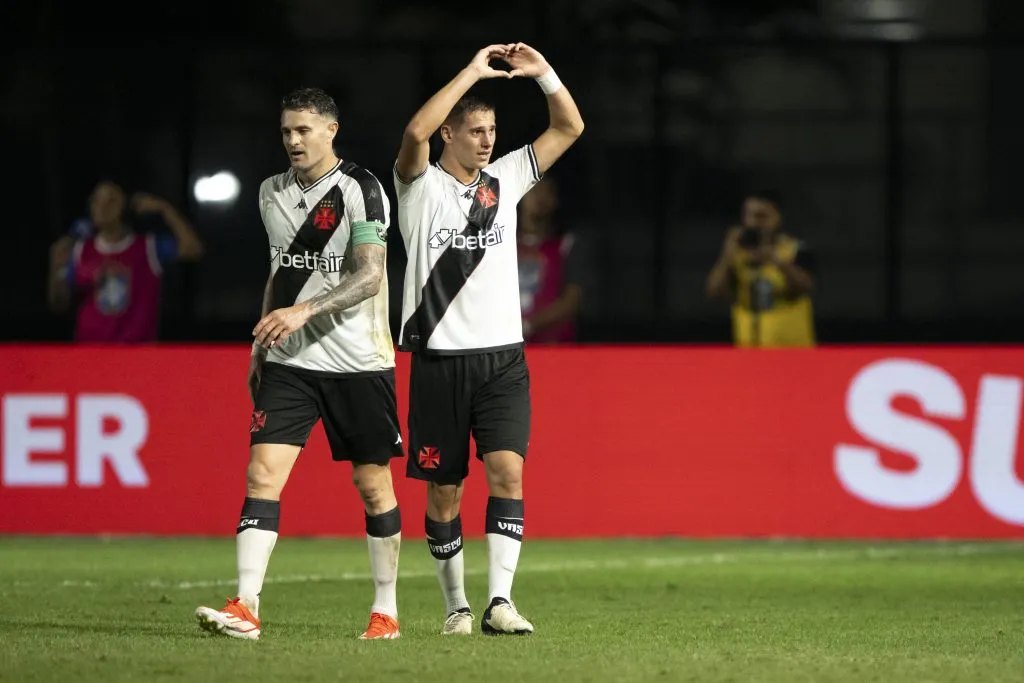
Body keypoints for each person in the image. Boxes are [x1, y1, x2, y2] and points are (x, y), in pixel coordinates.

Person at [195, 88, 404, 642]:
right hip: (291, 362)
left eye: (303, 130)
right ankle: (245, 606)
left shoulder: (362, 189)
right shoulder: (270, 193)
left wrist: (302, 312)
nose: (292, 140)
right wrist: (260, 346)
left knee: (372, 484)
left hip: (360, 362)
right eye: (286, 130)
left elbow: (369, 277)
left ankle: (386, 611)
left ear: (331, 130)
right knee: (261, 474)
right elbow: (281, 273)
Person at [393, 43, 584, 635]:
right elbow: (415, 130)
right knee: (444, 495)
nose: (486, 141)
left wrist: (545, 73)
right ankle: (456, 607)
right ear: (450, 133)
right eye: (474, 130)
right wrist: (474, 71)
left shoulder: (504, 180)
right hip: (439, 362)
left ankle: (500, 603)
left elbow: (570, 126)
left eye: (492, 130)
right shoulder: (417, 186)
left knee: (507, 472)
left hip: (503, 359)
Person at [47, 181, 204, 342]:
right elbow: (59, 305)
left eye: (111, 201)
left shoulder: (148, 248)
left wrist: (164, 208)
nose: (103, 207)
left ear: (125, 207)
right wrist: (57, 267)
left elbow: (192, 249)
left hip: (136, 354)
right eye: (96, 201)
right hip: (90, 352)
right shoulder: (80, 250)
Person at [705, 190, 817, 347]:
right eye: (749, 215)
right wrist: (727, 255)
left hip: (791, 349)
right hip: (749, 348)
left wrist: (776, 261)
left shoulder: (796, 250)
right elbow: (714, 292)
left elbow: (806, 287)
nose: (754, 223)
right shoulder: (737, 255)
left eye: (762, 216)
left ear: (778, 217)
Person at [517, 176, 587, 343]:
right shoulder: (501, 244)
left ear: (556, 200)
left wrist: (528, 325)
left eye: (546, 191)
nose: (540, 197)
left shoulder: (567, 246)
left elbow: (572, 300)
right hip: (507, 352)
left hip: (554, 349)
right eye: (533, 190)